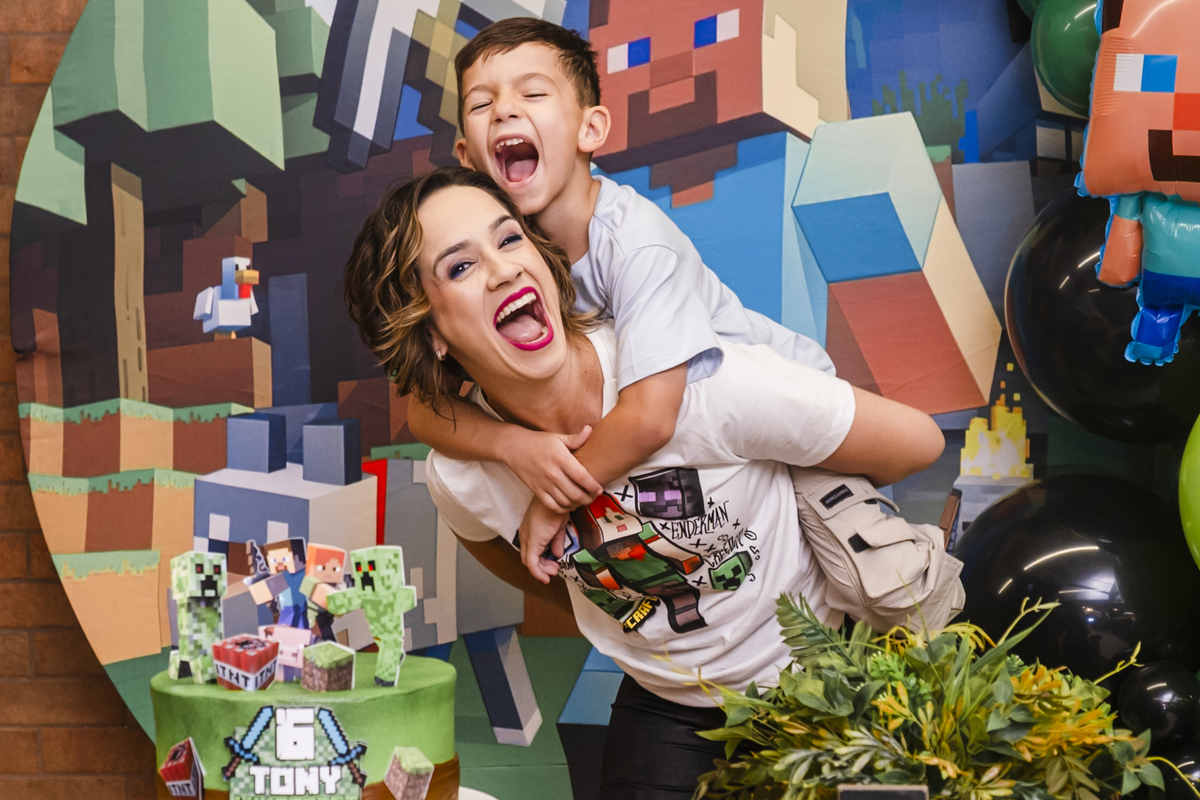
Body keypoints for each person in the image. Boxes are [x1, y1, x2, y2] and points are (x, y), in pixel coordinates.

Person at [343, 167, 958, 798]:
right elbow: (512, 558)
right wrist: (622, 607)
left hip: (830, 666)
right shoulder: (461, 474)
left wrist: (814, 488)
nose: (502, 270)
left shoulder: (702, 384)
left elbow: (918, 442)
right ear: (432, 334)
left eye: (508, 239)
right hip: (672, 704)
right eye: (460, 267)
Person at [401, 17, 961, 630]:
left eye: (532, 93)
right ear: (467, 158)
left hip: (780, 423)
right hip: (700, 463)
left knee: (881, 583)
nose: (506, 110)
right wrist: (517, 445)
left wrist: (554, 501)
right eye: (482, 104)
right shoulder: (509, 256)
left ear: (591, 129)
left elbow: (650, 416)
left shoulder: (636, 243)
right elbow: (425, 413)